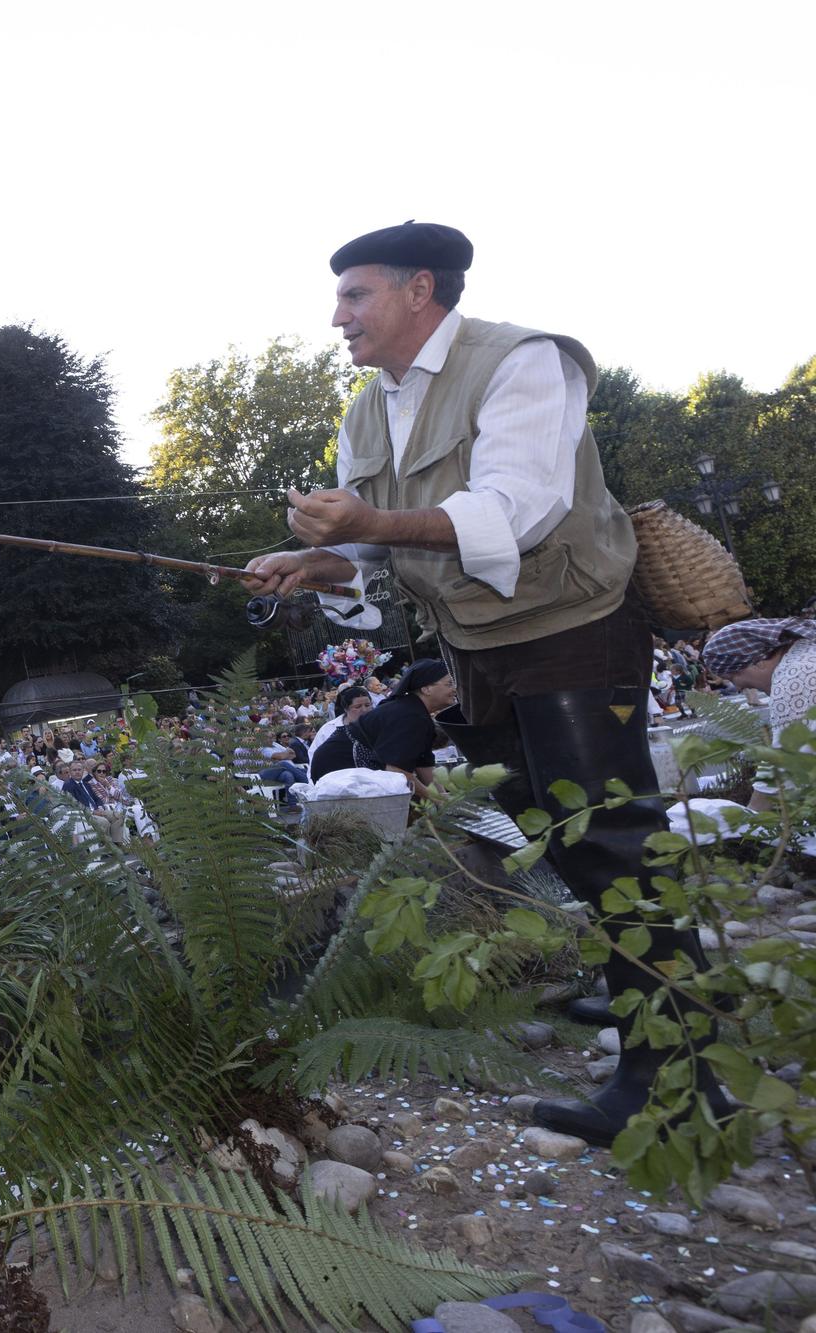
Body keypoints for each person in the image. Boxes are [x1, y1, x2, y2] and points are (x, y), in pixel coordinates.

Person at [242, 219, 722, 1145]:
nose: (336, 316)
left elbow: (517, 510)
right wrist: (313, 562)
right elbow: (366, 553)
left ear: (420, 291)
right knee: (553, 828)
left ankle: (678, 1077)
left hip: (574, 626)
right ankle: (652, 1000)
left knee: (614, 838)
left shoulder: (525, 363)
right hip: (477, 645)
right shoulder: (365, 408)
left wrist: (370, 522)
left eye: (354, 294)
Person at [701, 615, 816, 811]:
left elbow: (784, 761)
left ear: (758, 661)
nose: (737, 686)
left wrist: (750, 820)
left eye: (733, 676)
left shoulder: (793, 675)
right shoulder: (805, 652)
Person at [308, 660, 458, 793]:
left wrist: (443, 796)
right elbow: (396, 771)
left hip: (353, 768)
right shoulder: (410, 715)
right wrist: (436, 800)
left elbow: (423, 764)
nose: (454, 689)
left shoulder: (416, 712)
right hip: (337, 768)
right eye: (449, 684)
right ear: (426, 689)